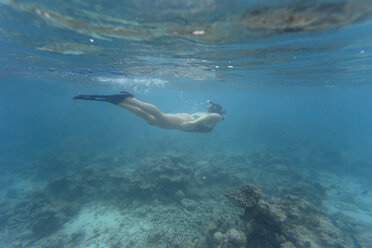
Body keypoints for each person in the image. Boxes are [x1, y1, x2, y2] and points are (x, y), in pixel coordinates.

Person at [73, 92, 225, 133]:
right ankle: (131, 100)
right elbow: (212, 116)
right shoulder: (216, 117)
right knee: (161, 116)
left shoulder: (216, 116)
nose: (208, 108)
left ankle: (120, 103)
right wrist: (194, 122)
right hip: (186, 123)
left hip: (185, 123)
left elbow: (212, 115)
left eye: (211, 106)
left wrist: (194, 121)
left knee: (152, 121)